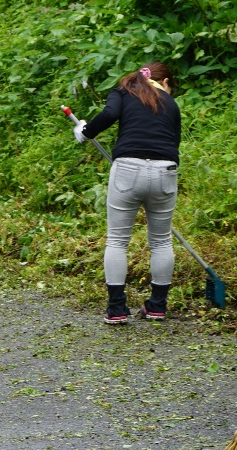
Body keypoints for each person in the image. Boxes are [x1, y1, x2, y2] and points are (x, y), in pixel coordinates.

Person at [73, 61, 181, 324]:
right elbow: (173, 141)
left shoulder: (122, 92)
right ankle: (157, 306)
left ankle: (117, 309)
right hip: (165, 171)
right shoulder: (171, 104)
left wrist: (85, 131)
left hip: (128, 169)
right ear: (164, 82)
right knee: (161, 241)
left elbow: (109, 116)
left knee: (118, 240)